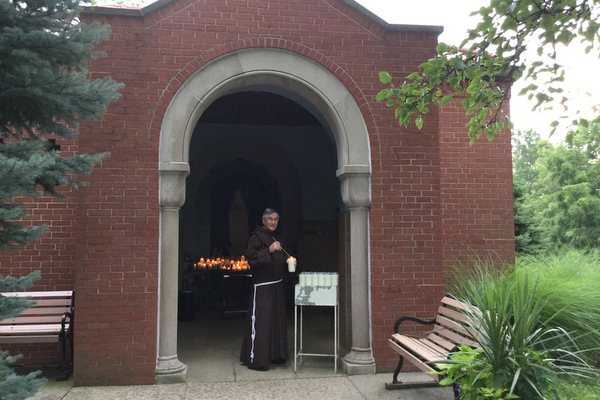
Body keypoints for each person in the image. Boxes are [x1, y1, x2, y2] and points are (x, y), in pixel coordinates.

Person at [239, 208, 294, 371]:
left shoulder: (277, 237)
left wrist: (289, 261)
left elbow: (280, 258)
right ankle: (258, 360)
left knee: (276, 322)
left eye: (276, 219)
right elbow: (251, 258)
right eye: (270, 219)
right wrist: (268, 250)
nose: (273, 222)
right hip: (262, 287)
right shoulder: (255, 237)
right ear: (263, 220)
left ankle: (276, 355)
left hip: (277, 285)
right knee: (262, 323)